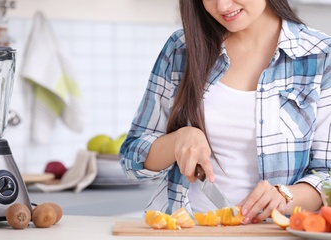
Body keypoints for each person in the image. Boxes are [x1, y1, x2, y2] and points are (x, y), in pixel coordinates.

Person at [119, 0, 331, 224]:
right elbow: (132, 158)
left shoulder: (320, 56)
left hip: (275, 239)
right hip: (184, 236)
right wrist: (179, 139)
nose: (222, 6)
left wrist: (284, 196)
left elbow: (327, 176)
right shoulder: (181, 49)